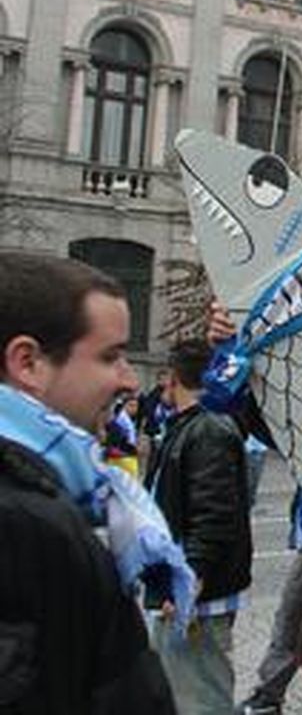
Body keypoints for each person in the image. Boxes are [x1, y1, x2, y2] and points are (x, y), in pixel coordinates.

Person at [0, 253, 178, 714]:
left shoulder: (50, 501)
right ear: (28, 362)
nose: (129, 379)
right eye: (109, 356)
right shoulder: (32, 524)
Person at [144, 339, 253, 715]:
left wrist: (189, 577)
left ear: (173, 378)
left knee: (201, 699)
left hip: (196, 596)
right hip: (183, 588)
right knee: (179, 692)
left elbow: (214, 515)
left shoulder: (208, 430)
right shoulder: (190, 426)